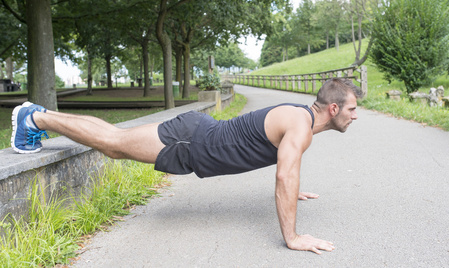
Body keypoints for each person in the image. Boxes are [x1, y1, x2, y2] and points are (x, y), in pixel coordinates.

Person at [11, 78, 362, 254]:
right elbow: (283, 173)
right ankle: (36, 118)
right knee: (114, 144)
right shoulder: (301, 126)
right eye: (351, 109)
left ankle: (39, 117)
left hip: (196, 137)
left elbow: (284, 165)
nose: (355, 115)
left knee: (116, 143)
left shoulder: (300, 121)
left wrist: (292, 188)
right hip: (192, 141)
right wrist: (293, 237)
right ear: (333, 109)